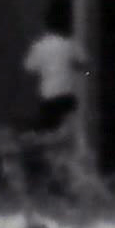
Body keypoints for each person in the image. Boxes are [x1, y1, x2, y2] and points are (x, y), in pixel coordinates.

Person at [21, 15, 85, 149]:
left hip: (48, 94)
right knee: (69, 130)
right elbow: (84, 64)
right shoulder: (69, 43)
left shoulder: (40, 46)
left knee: (49, 131)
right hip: (67, 94)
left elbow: (29, 67)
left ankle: (46, 147)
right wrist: (82, 74)